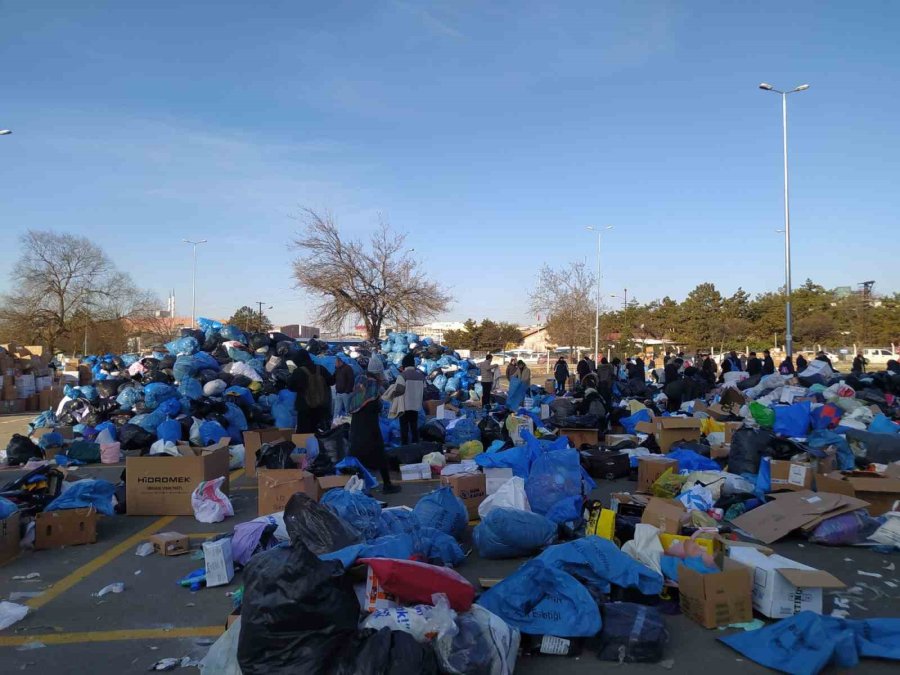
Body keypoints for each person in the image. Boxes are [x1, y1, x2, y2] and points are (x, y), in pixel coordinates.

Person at [348, 374, 399, 494]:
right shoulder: (372, 399)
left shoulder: (356, 399)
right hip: (371, 433)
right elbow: (379, 409)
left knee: (359, 463)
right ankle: (387, 485)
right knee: (381, 458)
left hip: (356, 433)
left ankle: (360, 489)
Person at [288, 349, 335, 434]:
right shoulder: (321, 369)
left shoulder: (298, 372)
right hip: (322, 407)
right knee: (321, 433)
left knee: (303, 434)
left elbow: (291, 387)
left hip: (305, 408)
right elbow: (331, 381)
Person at [392, 353, 426, 445]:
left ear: (404, 365)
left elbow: (399, 391)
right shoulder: (420, 376)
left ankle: (405, 445)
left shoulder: (402, 376)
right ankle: (415, 443)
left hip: (404, 405)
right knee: (414, 426)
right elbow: (425, 390)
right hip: (416, 405)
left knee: (404, 427)